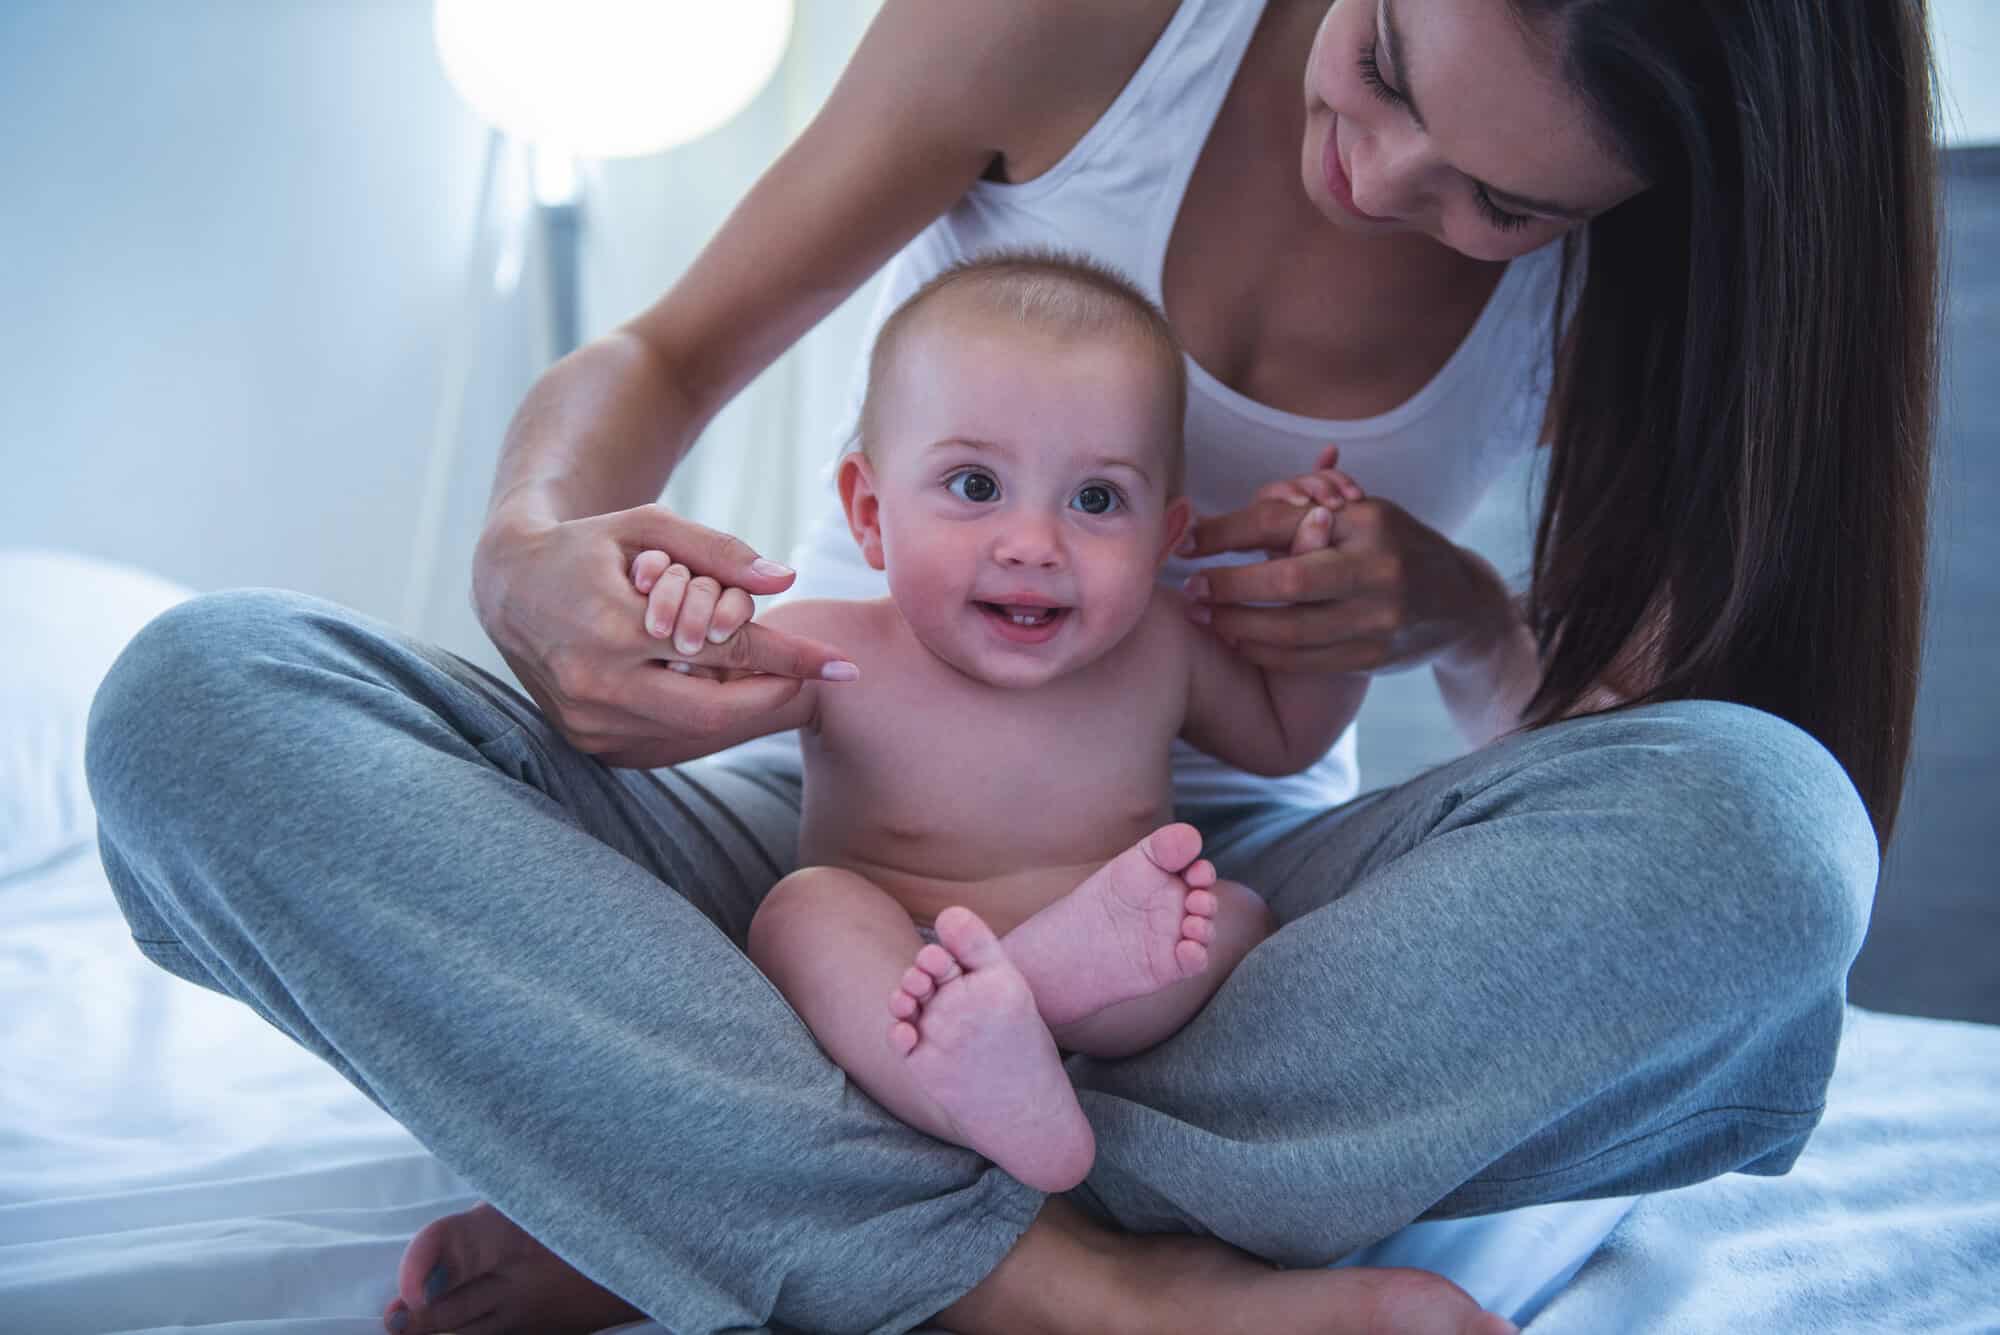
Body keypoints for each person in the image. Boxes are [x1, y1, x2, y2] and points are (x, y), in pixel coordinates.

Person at [83, 2, 1938, 1334]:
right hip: (821, 824)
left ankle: (694, 1174)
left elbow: (1605, 768)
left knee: (1774, 840)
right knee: (205, 708)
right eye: (1382, 67)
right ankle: (1052, 1287)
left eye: (1503, 207)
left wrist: (1443, 605)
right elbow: (657, 356)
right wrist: (530, 563)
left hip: (1212, 918)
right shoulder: (1092, 23)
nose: (1382, 179)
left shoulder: (1661, 261)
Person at [625, 249, 1378, 1197]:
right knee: (804, 912)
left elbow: (1284, 739)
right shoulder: (831, 646)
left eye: (1096, 500)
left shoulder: (1161, 648)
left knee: (1233, 917)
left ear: (1165, 538)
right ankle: (968, 1082)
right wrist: (681, 621)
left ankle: (1031, 1002)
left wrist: (1339, 618)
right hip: (902, 966)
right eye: (975, 486)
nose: (1033, 545)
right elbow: (658, 715)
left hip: (1111, 971)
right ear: (869, 511)